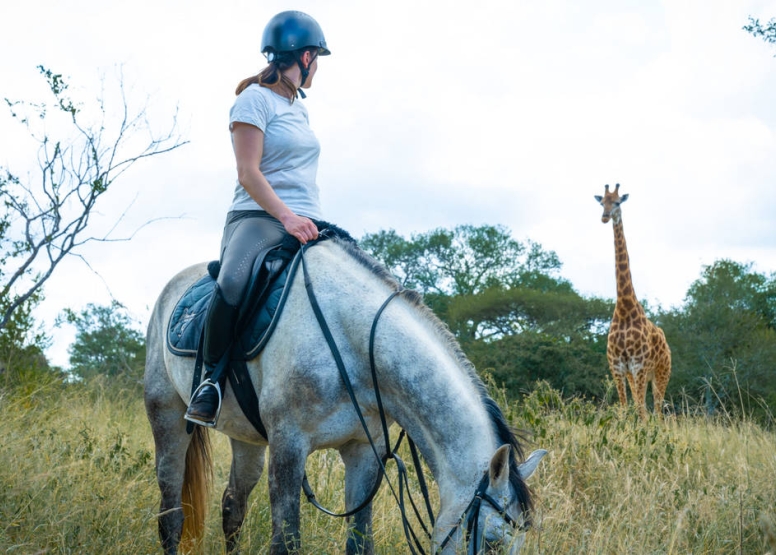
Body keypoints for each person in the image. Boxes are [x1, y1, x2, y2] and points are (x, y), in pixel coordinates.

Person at [185, 10, 331, 427]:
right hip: (257, 217)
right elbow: (248, 173)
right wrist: (285, 216)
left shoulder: (298, 109)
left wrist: (304, 219)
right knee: (232, 281)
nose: (317, 66)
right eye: (316, 57)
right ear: (304, 57)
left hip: (307, 219)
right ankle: (209, 382)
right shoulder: (252, 100)